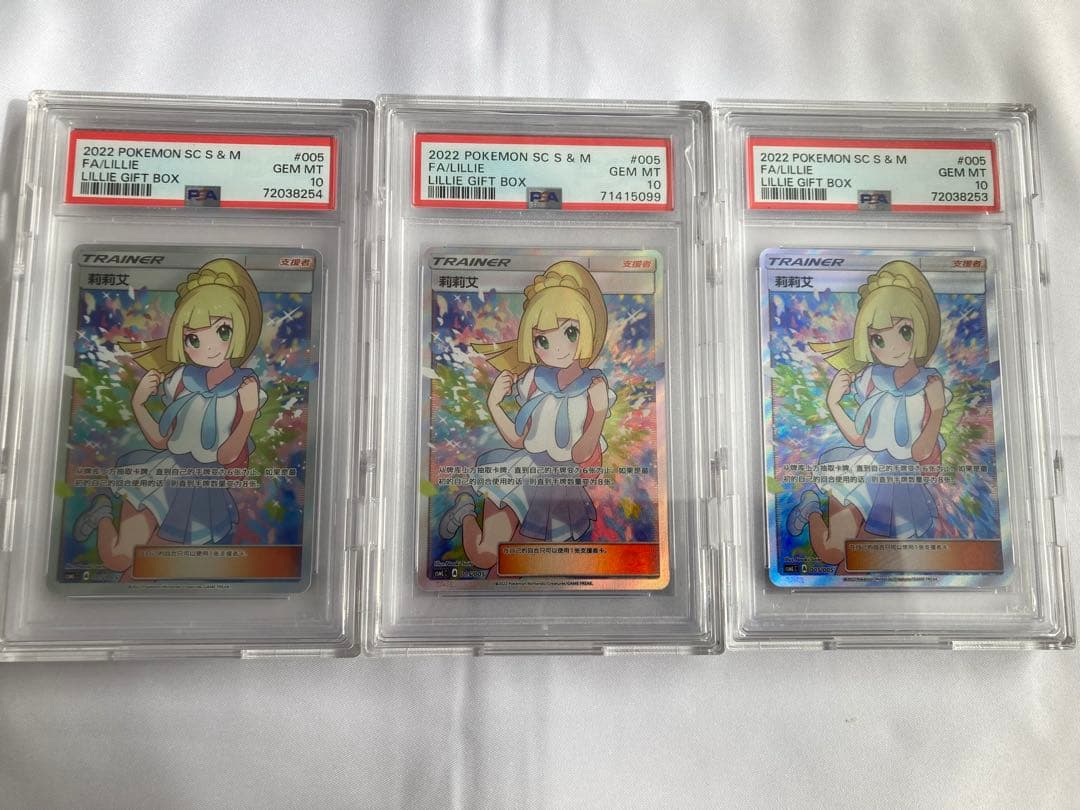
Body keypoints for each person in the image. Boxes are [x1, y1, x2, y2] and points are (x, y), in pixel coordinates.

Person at [72, 258, 265, 575]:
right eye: (194, 338)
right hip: (163, 473)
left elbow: (227, 456)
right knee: (117, 559)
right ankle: (102, 511)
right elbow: (162, 440)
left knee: (147, 571)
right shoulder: (180, 380)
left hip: (202, 488)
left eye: (222, 331)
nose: (209, 347)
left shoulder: (245, 387)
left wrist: (249, 412)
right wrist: (138, 403)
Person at [438, 260, 616, 570]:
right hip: (522, 471)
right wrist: (494, 404)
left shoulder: (594, 388)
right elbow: (519, 439)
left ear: (586, 330)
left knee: (521, 566)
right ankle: (465, 510)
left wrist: (599, 411)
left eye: (569, 332)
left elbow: (581, 454)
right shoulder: (533, 380)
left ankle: (467, 509)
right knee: (484, 556)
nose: (556, 349)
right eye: (542, 340)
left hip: (559, 485)